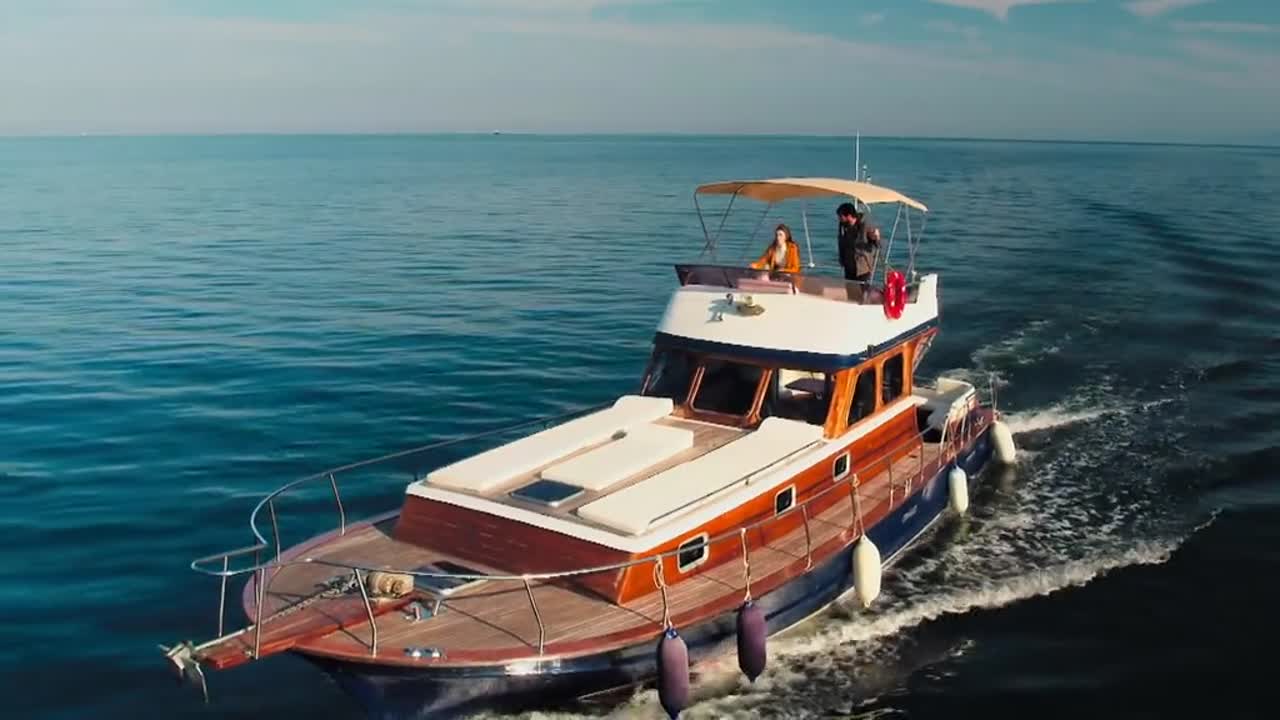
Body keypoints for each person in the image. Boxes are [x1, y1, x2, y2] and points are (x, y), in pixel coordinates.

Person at [836, 202, 880, 284]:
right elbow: (841, 244)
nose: (839, 219)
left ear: (849, 216)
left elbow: (877, 245)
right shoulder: (843, 227)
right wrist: (842, 259)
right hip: (848, 267)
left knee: (861, 290)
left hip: (862, 268)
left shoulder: (866, 226)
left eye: (841, 216)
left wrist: (876, 238)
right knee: (850, 289)